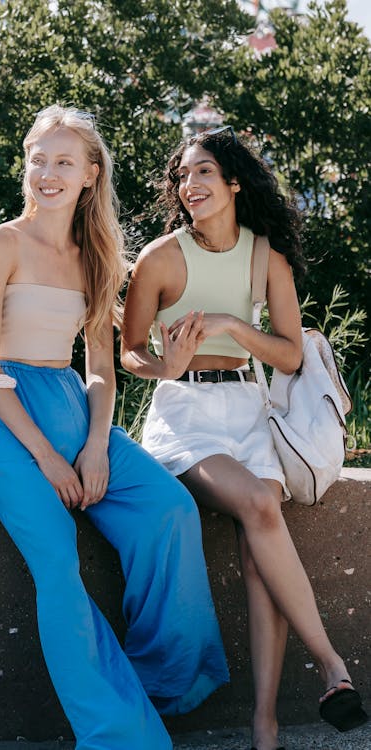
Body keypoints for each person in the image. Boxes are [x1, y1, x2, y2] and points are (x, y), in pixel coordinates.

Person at [0, 105, 229, 750]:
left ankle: (164, 686)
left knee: (169, 510)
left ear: (90, 174)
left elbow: (102, 370)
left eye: (63, 161)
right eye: (38, 159)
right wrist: (51, 461)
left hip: (74, 409)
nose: (47, 173)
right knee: (58, 564)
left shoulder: (95, 255)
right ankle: (119, 735)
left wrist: (92, 445)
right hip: (6, 419)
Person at [120, 127, 368, 750]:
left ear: (233, 182)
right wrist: (166, 367)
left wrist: (233, 324)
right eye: (182, 176)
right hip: (184, 415)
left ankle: (265, 726)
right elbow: (128, 352)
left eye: (204, 172)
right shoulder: (161, 257)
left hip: (248, 411)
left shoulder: (265, 257)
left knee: (260, 564)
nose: (190, 185)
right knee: (260, 506)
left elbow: (288, 355)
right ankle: (332, 664)